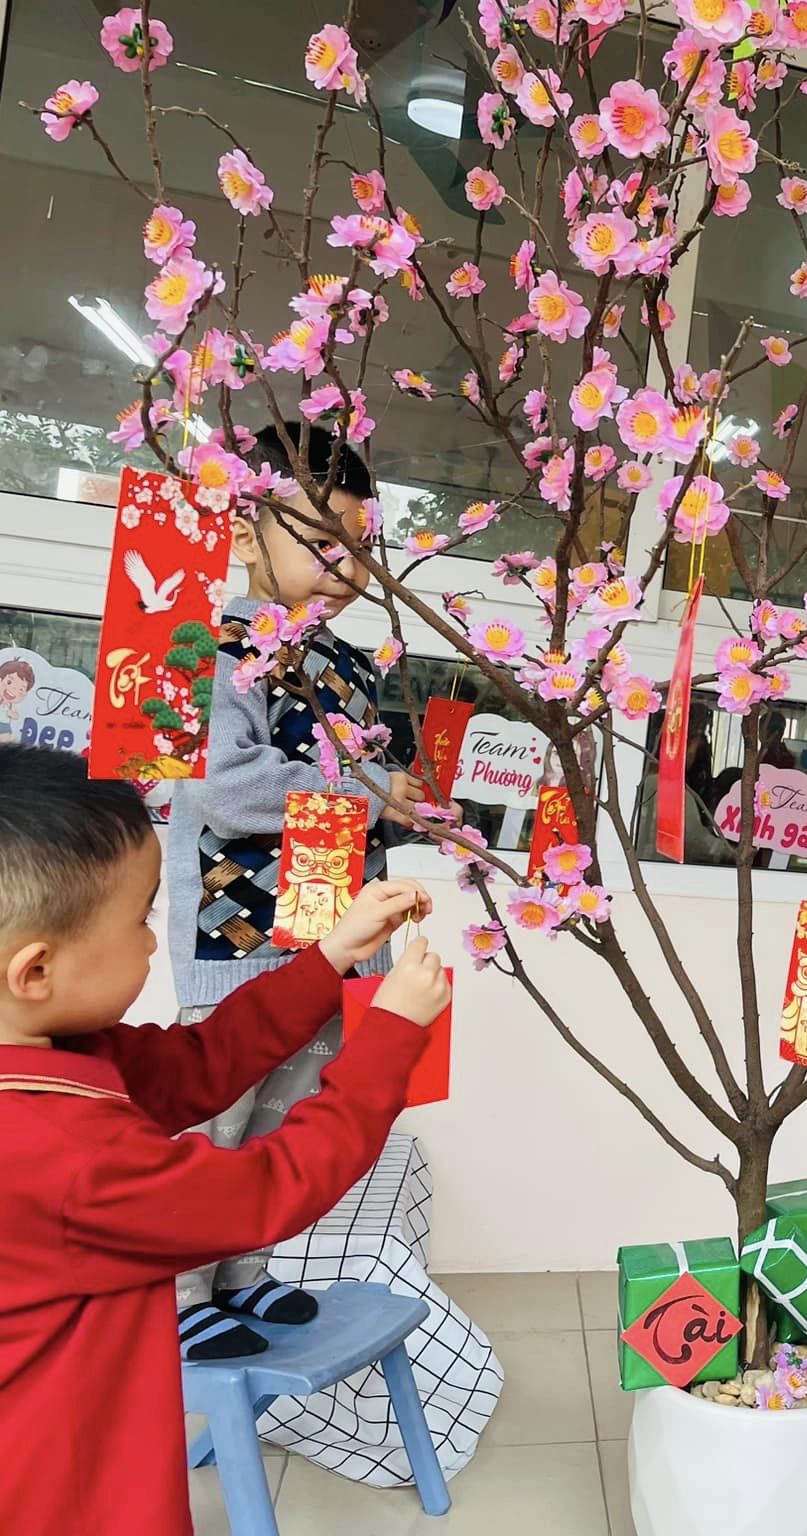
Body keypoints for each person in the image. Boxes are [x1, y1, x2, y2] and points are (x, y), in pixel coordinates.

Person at [0, 744, 448, 1536]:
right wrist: (387, 1041)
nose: (153, 942)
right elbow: (267, 1192)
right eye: (139, 920)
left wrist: (331, 958)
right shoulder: (64, 1157)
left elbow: (199, 1064)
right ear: (35, 971)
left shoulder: (59, 1054)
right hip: (68, 1490)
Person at [165, 422, 426, 1360]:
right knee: (217, 1118)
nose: (344, 567)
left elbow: (357, 798)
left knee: (284, 1115)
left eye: (358, 546)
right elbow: (222, 788)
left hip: (329, 938)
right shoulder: (211, 648)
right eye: (320, 541)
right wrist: (371, 792)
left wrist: (400, 808)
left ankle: (242, 1272)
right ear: (245, 529)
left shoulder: (350, 666)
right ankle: (180, 1289)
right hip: (232, 931)